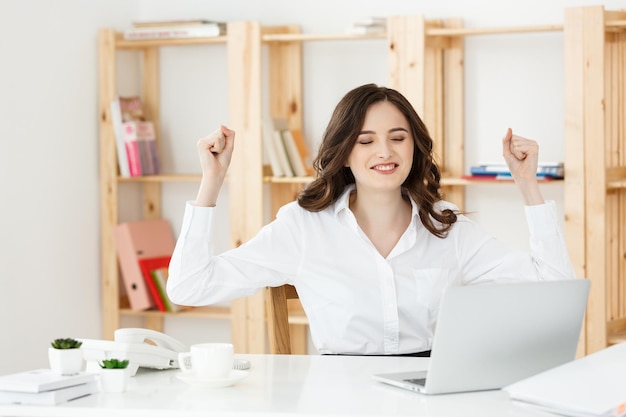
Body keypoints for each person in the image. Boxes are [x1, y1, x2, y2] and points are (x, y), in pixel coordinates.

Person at [167, 83, 575, 356]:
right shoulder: (303, 228)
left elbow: (555, 292)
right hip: (336, 399)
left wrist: (528, 186)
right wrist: (212, 180)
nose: (385, 152)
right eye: (366, 141)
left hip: (427, 398)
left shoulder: (447, 227)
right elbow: (189, 287)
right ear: (344, 152)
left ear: (414, 147)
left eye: (398, 138)